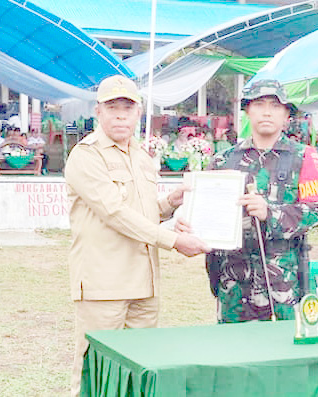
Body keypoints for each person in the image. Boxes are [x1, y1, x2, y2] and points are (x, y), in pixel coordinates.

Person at [64, 75, 211, 397]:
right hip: (104, 284)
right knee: (95, 375)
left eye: (127, 108)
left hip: (145, 283)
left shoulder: (141, 155)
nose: (120, 115)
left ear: (138, 113)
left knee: (139, 373)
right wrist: (173, 241)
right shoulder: (86, 155)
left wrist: (170, 203)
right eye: (112, 107)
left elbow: (140, 212)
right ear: (98, 112)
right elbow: (114, 213)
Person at [194, 79, 318, 323]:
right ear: (247, 110)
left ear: (287, 114)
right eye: (259, 104)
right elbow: (206, 215)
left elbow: (317, 211)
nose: (267, 112)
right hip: (233, 284)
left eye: (275, 106)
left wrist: (270, 213)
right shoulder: (222, 160)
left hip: (281, 284)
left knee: (283, 354)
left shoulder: (304, 157)